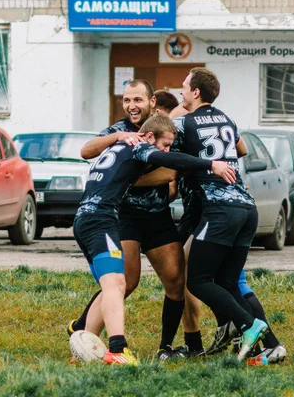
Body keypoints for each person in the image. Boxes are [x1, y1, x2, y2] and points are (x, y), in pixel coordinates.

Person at [72, 114, 235, 365]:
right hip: (99, 219)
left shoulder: (118, 146)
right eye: (165, 143)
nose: (167, 149)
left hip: (86, 219)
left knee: (110, 287)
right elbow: (166, 159)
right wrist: (211, 164)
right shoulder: (138, 146)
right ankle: (118, 348)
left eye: (170, 145)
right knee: (117, 284)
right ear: (149, 136)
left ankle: (85, 345)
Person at [173, 67, 268, 362]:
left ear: (196, 92)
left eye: (185, 86)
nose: (181, 90)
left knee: (198, 280)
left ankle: (249, 325)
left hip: (220, 210)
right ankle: (263, 347)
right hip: (246, 208)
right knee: (227, 281)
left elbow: (168, 154)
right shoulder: (227, 118)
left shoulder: (184, 123)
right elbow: (240, 149)